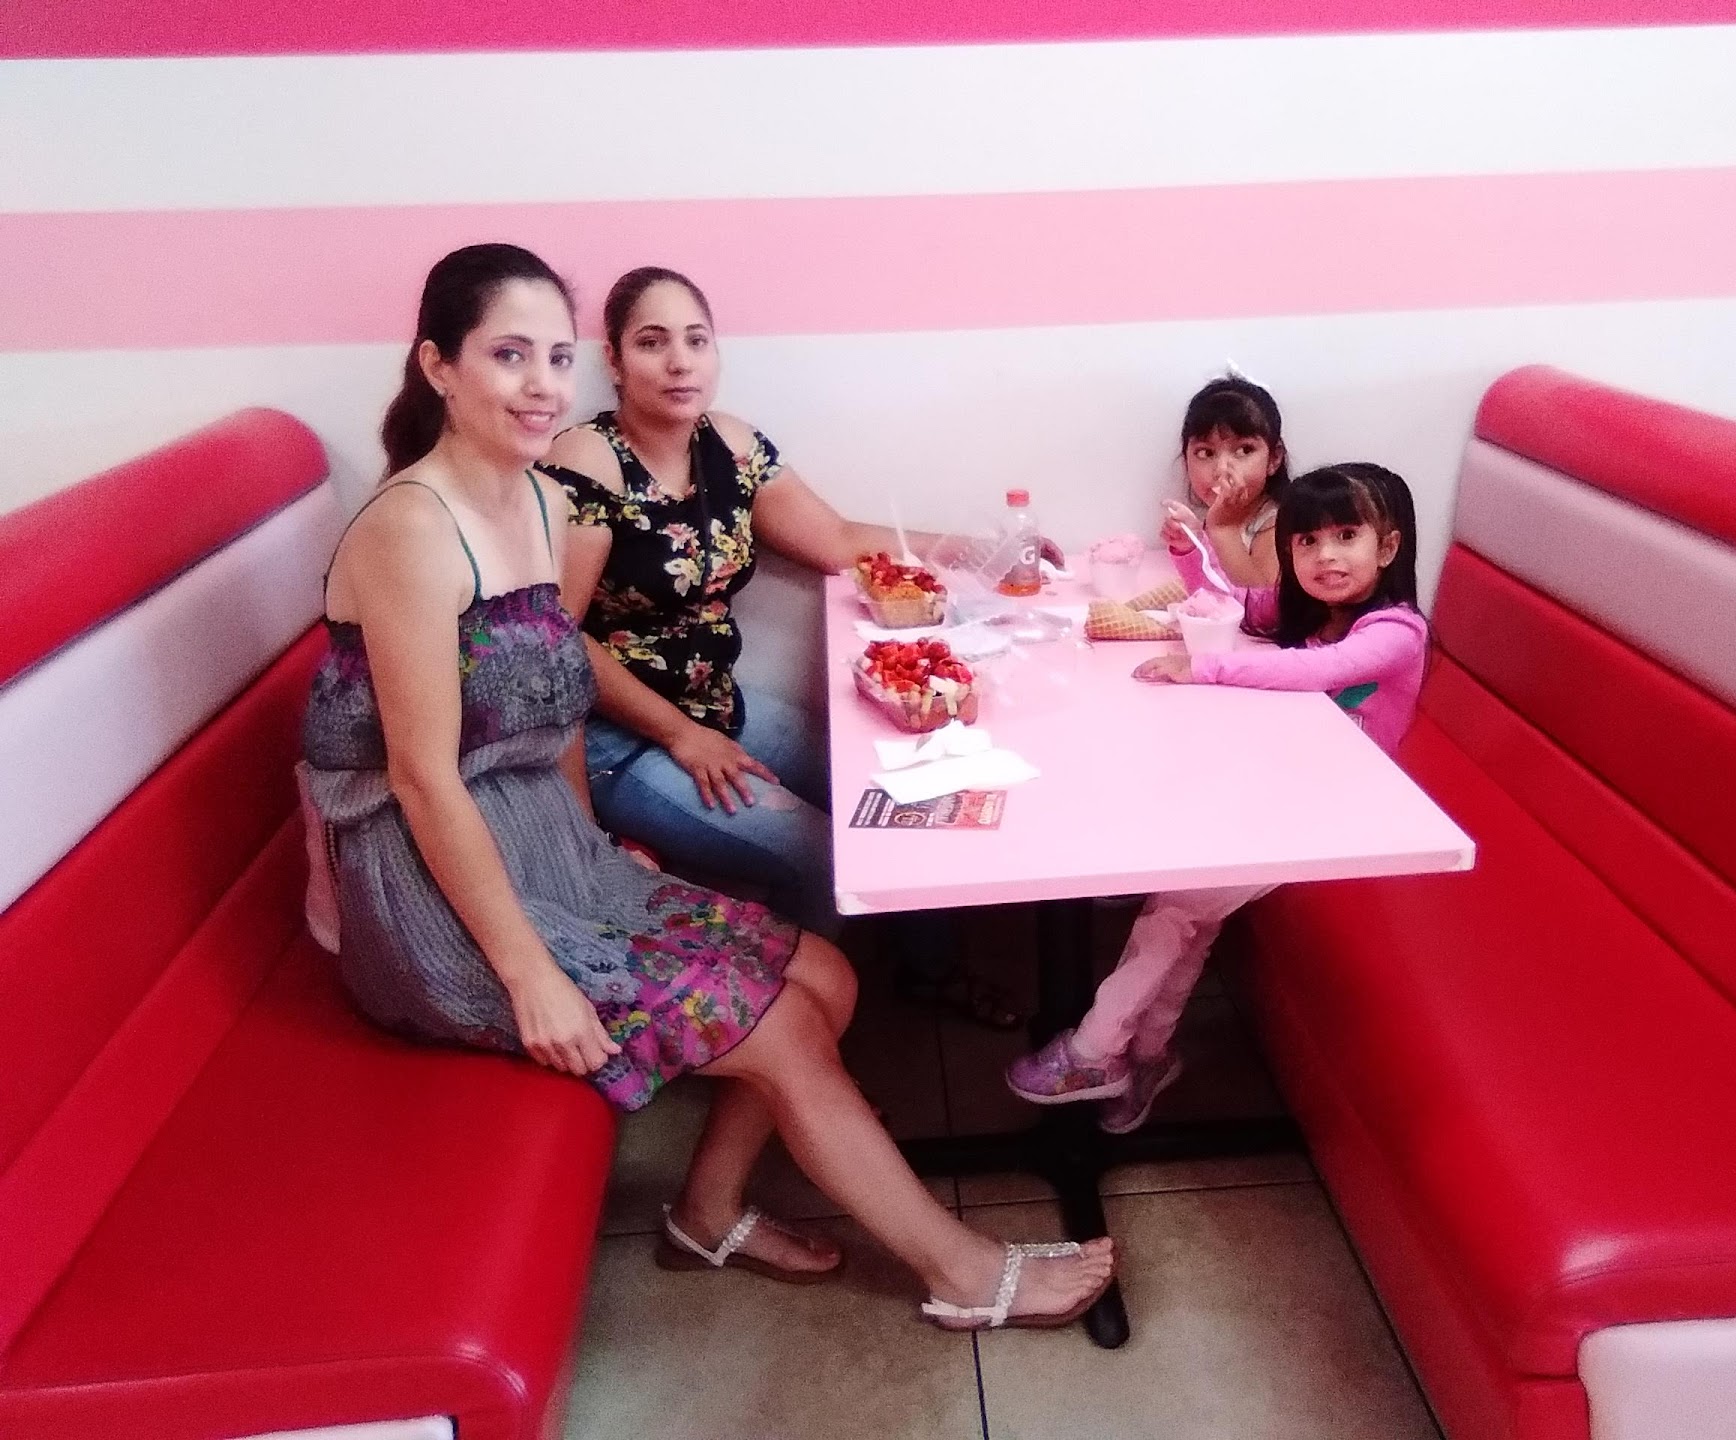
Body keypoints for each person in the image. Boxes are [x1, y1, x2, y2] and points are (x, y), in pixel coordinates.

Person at [302, 243, 1113, 1328]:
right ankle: (962, 1272)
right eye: (509, 355)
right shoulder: (414, 527)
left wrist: (592, 851)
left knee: (828, 974)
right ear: (438, 365)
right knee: (785, 1026)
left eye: (553, 357)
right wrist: (534, 975)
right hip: (435, 893)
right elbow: (422, 779)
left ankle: (708, 1211)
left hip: (547, 844)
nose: (542, 385)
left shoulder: (536, 502)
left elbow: (550, 708)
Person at [539, 266, 1026, 1029]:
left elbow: (835, 538)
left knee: (900, 789)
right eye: (653, 342)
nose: (679, 362)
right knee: (822, 854)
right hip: (621, 741)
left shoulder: (729, 446)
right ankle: (783, 1034)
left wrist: (982, 551)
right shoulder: (587, 461)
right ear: (614, 359)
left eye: (696, 340)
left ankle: (927, 972)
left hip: (718, 707)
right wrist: (679, 734)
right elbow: (555, 639)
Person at [1005, 462, 1428, 1133]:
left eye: (1346, 536)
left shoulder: (1396, 630)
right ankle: (1149, 1056)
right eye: (1307, 541)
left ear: (1388, 547)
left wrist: (1201, 667)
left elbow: (1318, 668)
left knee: (1172, 912)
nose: (1325, 556)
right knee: (1190, 919)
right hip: (1278, 786)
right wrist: (1191, 548)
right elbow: (1230, 603)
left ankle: (1092, 1053)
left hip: (1334, 814)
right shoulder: (1308, 607)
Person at [1158, 372, 1291, 589]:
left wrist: (1223, 529)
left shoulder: (1276, 524)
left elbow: (1260, 601)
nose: (1222, 470)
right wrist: (1189, 546)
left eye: (1244, 450)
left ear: (1274, 458)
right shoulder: (1213, 516)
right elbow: (1206, 588)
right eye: (1206, 453)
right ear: (1186, 462)